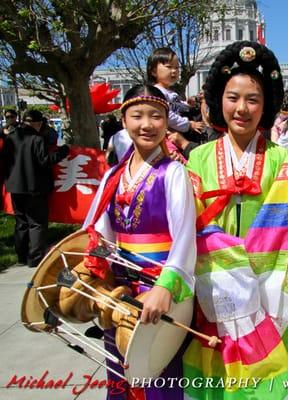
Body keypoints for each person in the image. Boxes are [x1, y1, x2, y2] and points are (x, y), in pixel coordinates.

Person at [182, 40, 288, 400]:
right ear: (219, 100)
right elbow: (190, 228)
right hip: (212, 294)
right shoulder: (199, 158)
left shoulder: (280, 159)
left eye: (253, 99)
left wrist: (249, 279)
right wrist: (222, 272)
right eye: (233, 97)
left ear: (265, 106)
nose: (242, 108)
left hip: (266, 295)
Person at [83, 84, 196, 399]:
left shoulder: (173, 173)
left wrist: (165, 286)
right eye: (137, 115)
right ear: (123, 120)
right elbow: (97, 231)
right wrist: (94, 273)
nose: (147, 124)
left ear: (167, 122)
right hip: (118, 289)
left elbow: (185, 236)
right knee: (120, 375)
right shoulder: (113, 176)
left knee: (159, 374)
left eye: (156, 116)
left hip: (159, 289)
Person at [2, 109, 69, 267]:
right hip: (35, 188)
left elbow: (4, 162)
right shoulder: (36, 139)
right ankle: (36, 258)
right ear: (37, 123)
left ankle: (22, 256)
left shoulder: (10, 138)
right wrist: (63, 151)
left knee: (21, 222)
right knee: (37, 223)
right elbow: (45, 161)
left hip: (15, 187)